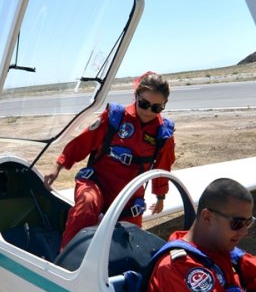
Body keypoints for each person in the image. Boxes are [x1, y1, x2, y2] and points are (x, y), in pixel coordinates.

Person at [44, 71, 176, 250]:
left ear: (164, 105)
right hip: (97, 183)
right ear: (136, 96)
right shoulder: (115, 117)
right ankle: (66, 257)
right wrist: (58, 165)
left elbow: (163, 167)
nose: (148, 111)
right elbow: (83, 142)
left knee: (129, 243)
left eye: (156, 108)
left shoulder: (163, 134)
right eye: (144, 104)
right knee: (87, 207)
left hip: (128, 196)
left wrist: (160, 196)